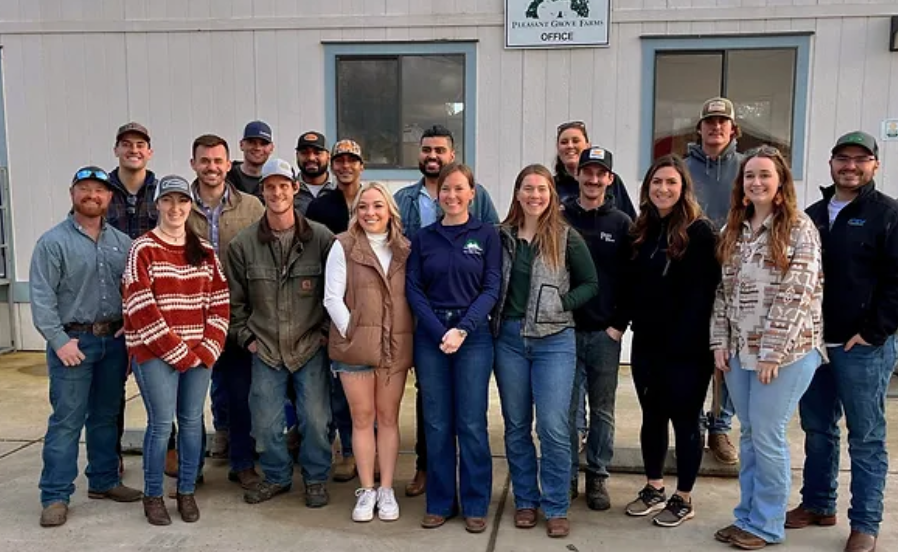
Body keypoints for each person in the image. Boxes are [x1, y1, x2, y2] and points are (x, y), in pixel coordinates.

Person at [710, 146, 824, 549]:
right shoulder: (734, 230)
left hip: (787, 354)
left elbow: (798, 295)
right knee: (749, 434)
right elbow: (722, 294)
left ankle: (767, 524)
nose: (756, 182)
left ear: (780, 184)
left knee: (768, 435)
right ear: (741, 185)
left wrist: (772, 352)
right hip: (740, 353)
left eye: (765, 175)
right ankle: (747, 516)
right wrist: (719, 342)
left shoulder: (798, 228)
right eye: (749, 176)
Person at [789, 131, 898, 552]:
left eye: (860, 159)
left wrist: (872, 332)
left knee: (865, 436)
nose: (850, 166)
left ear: (874, 165)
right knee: (817, 429)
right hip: (815, 346)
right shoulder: (813, 214)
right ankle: (817, 503)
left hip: (862, 347)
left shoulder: (887, 214)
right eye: (842, 158)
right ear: (831, 163)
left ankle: (865, 523)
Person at [30, 166, 142, 528]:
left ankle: (104, 480)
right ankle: (55, 495)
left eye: (100, 190)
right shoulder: (53, 242)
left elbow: (134, 290)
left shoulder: (122, 243)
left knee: (107, 415)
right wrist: (59, 341)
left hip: (113, 341)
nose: (92, 195)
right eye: (85, 189)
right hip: (73, 342)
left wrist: (130, 329)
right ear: (72, 193)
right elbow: (42, 298)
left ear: (110, 198)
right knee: (66, 420)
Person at [394, 124, 500, 497]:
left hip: (473, 337)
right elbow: (413, 287)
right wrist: (439, 331)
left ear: (472, 193)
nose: (452, 195)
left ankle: (474, 502)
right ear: (437, 194)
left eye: (460, 188)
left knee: (471, 422)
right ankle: (439, 500)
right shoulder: (422, 237)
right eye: (446, 189)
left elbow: (491, 287)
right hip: (431, 333)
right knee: (436, 422)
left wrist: (464, 329)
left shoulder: (487, 234)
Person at [492, 164, 598, 538]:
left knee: (553, 426)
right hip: (508, 340)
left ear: (551, 194)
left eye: (542, 189)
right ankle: (525, 500)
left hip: (555, 341)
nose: (534, 195)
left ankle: (555, 505)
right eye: (527, 188)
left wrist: (562, 303)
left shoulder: (566, 237)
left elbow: (590, 283)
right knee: (517, 425)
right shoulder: (501, 236)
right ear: (518, 193)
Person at [226, 157, 335, 508]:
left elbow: (338, 294)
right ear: (262, 192)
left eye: (283, 186)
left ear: (295, 189)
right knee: (266, 423)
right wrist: (248, 339)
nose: (276, 192)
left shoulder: (322, 239)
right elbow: (233, 304)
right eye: (270, 187)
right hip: (267, 348)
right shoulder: (243, 245)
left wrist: (324, 334)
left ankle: (316, 479)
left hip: (309, 345)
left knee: (316, 421)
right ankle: (276, 476)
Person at [123, 174, 230, 526]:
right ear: (157, 205)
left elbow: (219, 301)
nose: (175, 207)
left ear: (190, 205)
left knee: (191, 422)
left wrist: (209, 346)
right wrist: (178, 352)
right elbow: (140, 307)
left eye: (181, 201)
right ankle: (153, 495)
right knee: (159, 424)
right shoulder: (143, 249)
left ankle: (186, 491)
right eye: (167, 200)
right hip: (155, 352)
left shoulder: (204, 250)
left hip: (199, 353)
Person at [624, 154, 720, 528]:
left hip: (687, 350)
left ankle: (684, 496)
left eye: (671, 183)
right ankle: (654, 487)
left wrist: (683, 345)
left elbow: (703, 296)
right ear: (648, 188)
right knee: (652, 418)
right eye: (656, 183)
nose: (663, 189)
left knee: (685, 421)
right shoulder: (642, 230)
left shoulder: (699, 232)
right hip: (647, 344)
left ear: (683, 189)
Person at [324, 182, 413, 522]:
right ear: (355, 212)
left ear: (390, 211)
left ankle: (387, 488)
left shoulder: (404, 249)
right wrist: (353, 334)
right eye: (363, 207)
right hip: (356, 349)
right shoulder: (342, 246)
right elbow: (332, 297)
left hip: (395, 348)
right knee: (362, 419)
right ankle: (367, 490)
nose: (370, 213)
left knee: (388, 418)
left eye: (377, 206)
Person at [187, 134, 265, 490]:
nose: (212, 167)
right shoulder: (178, 206)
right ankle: (191, 466)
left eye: (218, 161)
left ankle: (242, 462)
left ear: (229, 164)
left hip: (235, 315)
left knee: (240, 392)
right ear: (194, 164)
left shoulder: (252, 208)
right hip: (189, 318)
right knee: (188, 398)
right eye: (205, 161)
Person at [562, 147, 633, 511]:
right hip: (565, 333)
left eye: (599, 173)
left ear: (610, 179)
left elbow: (632, 279)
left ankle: (598, 477)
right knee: (568, 409)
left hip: (605, 334)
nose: (592, 179)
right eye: (586, 172)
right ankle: (569, 475)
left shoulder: (621, 223)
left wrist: (619, 325)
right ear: (578, 176)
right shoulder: (560, 217)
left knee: (602, 409)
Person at [684, 96, 743, 465]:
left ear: (733, 129)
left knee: (730, 357)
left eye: (723, 122)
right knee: (696, 356)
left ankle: (720, 428)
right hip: (695, 275)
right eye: (710, 122)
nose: (716, 128)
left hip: (736, 276)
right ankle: (693, 424)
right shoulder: (685, 168)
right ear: (700, 128)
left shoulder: (746, 167)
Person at [306, 139, 366, 484]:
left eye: (352, 160)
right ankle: (343, 451)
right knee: (338, 385)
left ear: (362, 165)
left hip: (366, 299)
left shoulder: (373, 200)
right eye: (340, 160)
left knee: (365, 381)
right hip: (330, 299)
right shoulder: (321, 207)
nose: (345, 166)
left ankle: (364, 449)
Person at [105, 121, 159, 475]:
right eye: (127, 144)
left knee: (164, 383)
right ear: (117, 150)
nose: (134, 150)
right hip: (111, 302)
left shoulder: (162, 191)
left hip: (158, 305)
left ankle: (168, 449)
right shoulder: (101, 190)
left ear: (149, 151)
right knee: (111, 390)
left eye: (140, 144)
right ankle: (112, 456)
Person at [553, 120, 635, 219]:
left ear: (588, 146)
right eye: (564, 142)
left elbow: (631, 223)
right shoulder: (551, 185)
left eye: (575, 141)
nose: (570, 146)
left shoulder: (612, 182)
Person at [227, 120, 274, 199]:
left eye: (263, 143)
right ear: (241, 145)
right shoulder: (225, 178)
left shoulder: (276, 180)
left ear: (272, 148)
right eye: (252, 142)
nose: (258, 148)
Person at [295, 131, 336, 214]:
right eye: (304, 153)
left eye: (317, 153)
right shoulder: (289, 190)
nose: (311, 158)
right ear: (297, 156)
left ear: (328, 156)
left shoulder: (338, 188)